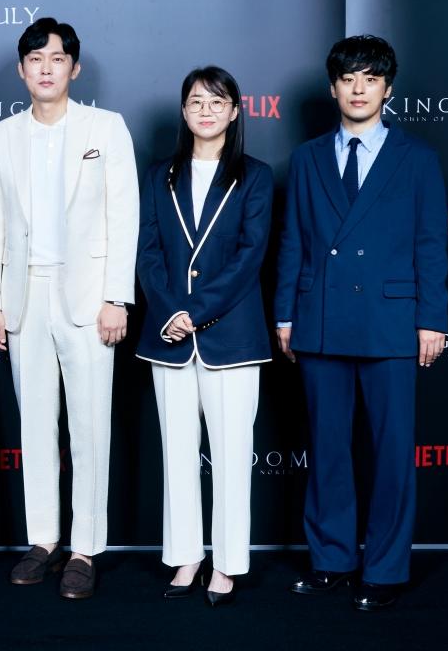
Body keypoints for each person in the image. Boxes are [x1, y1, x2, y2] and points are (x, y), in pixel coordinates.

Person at [275, 35, 448, 611]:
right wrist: (285, 314)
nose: (358, 88)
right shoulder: (306, 158)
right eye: (348, 78)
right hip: (320, 319)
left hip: (392, 322)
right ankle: (331, 559)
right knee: (327, 448)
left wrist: (432, 320)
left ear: (387, 89)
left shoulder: (417, 158)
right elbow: (293, 241)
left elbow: (431, 245)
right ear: (333, 88)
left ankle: (386, 567)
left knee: (392, 452)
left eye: (370, 78)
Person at [0, 17, 139, 600]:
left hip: (89, 298)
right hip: (25, 296)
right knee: (35, 424)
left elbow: (124, 216)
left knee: (90, 428)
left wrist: (116, 297)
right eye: (35, 60)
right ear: (22, 71)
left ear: (74, 67)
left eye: (56, 59)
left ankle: (85, 548)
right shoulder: (2, 137)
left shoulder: (106, 127)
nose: (45, 69)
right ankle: (43, 539)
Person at [136, 66, 274, 607]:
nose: (206, 111)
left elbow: (249, 257)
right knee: (177, 453)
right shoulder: (159, 175)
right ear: (184, 110)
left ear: (235, 111)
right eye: (196, 101)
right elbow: (147, 252)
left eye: (218, 102)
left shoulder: (255, 176)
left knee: (233, 455)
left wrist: (193, 312)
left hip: (231, 336)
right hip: (167, 336)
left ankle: (228, 563)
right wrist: (171, 312)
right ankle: (186, 556)